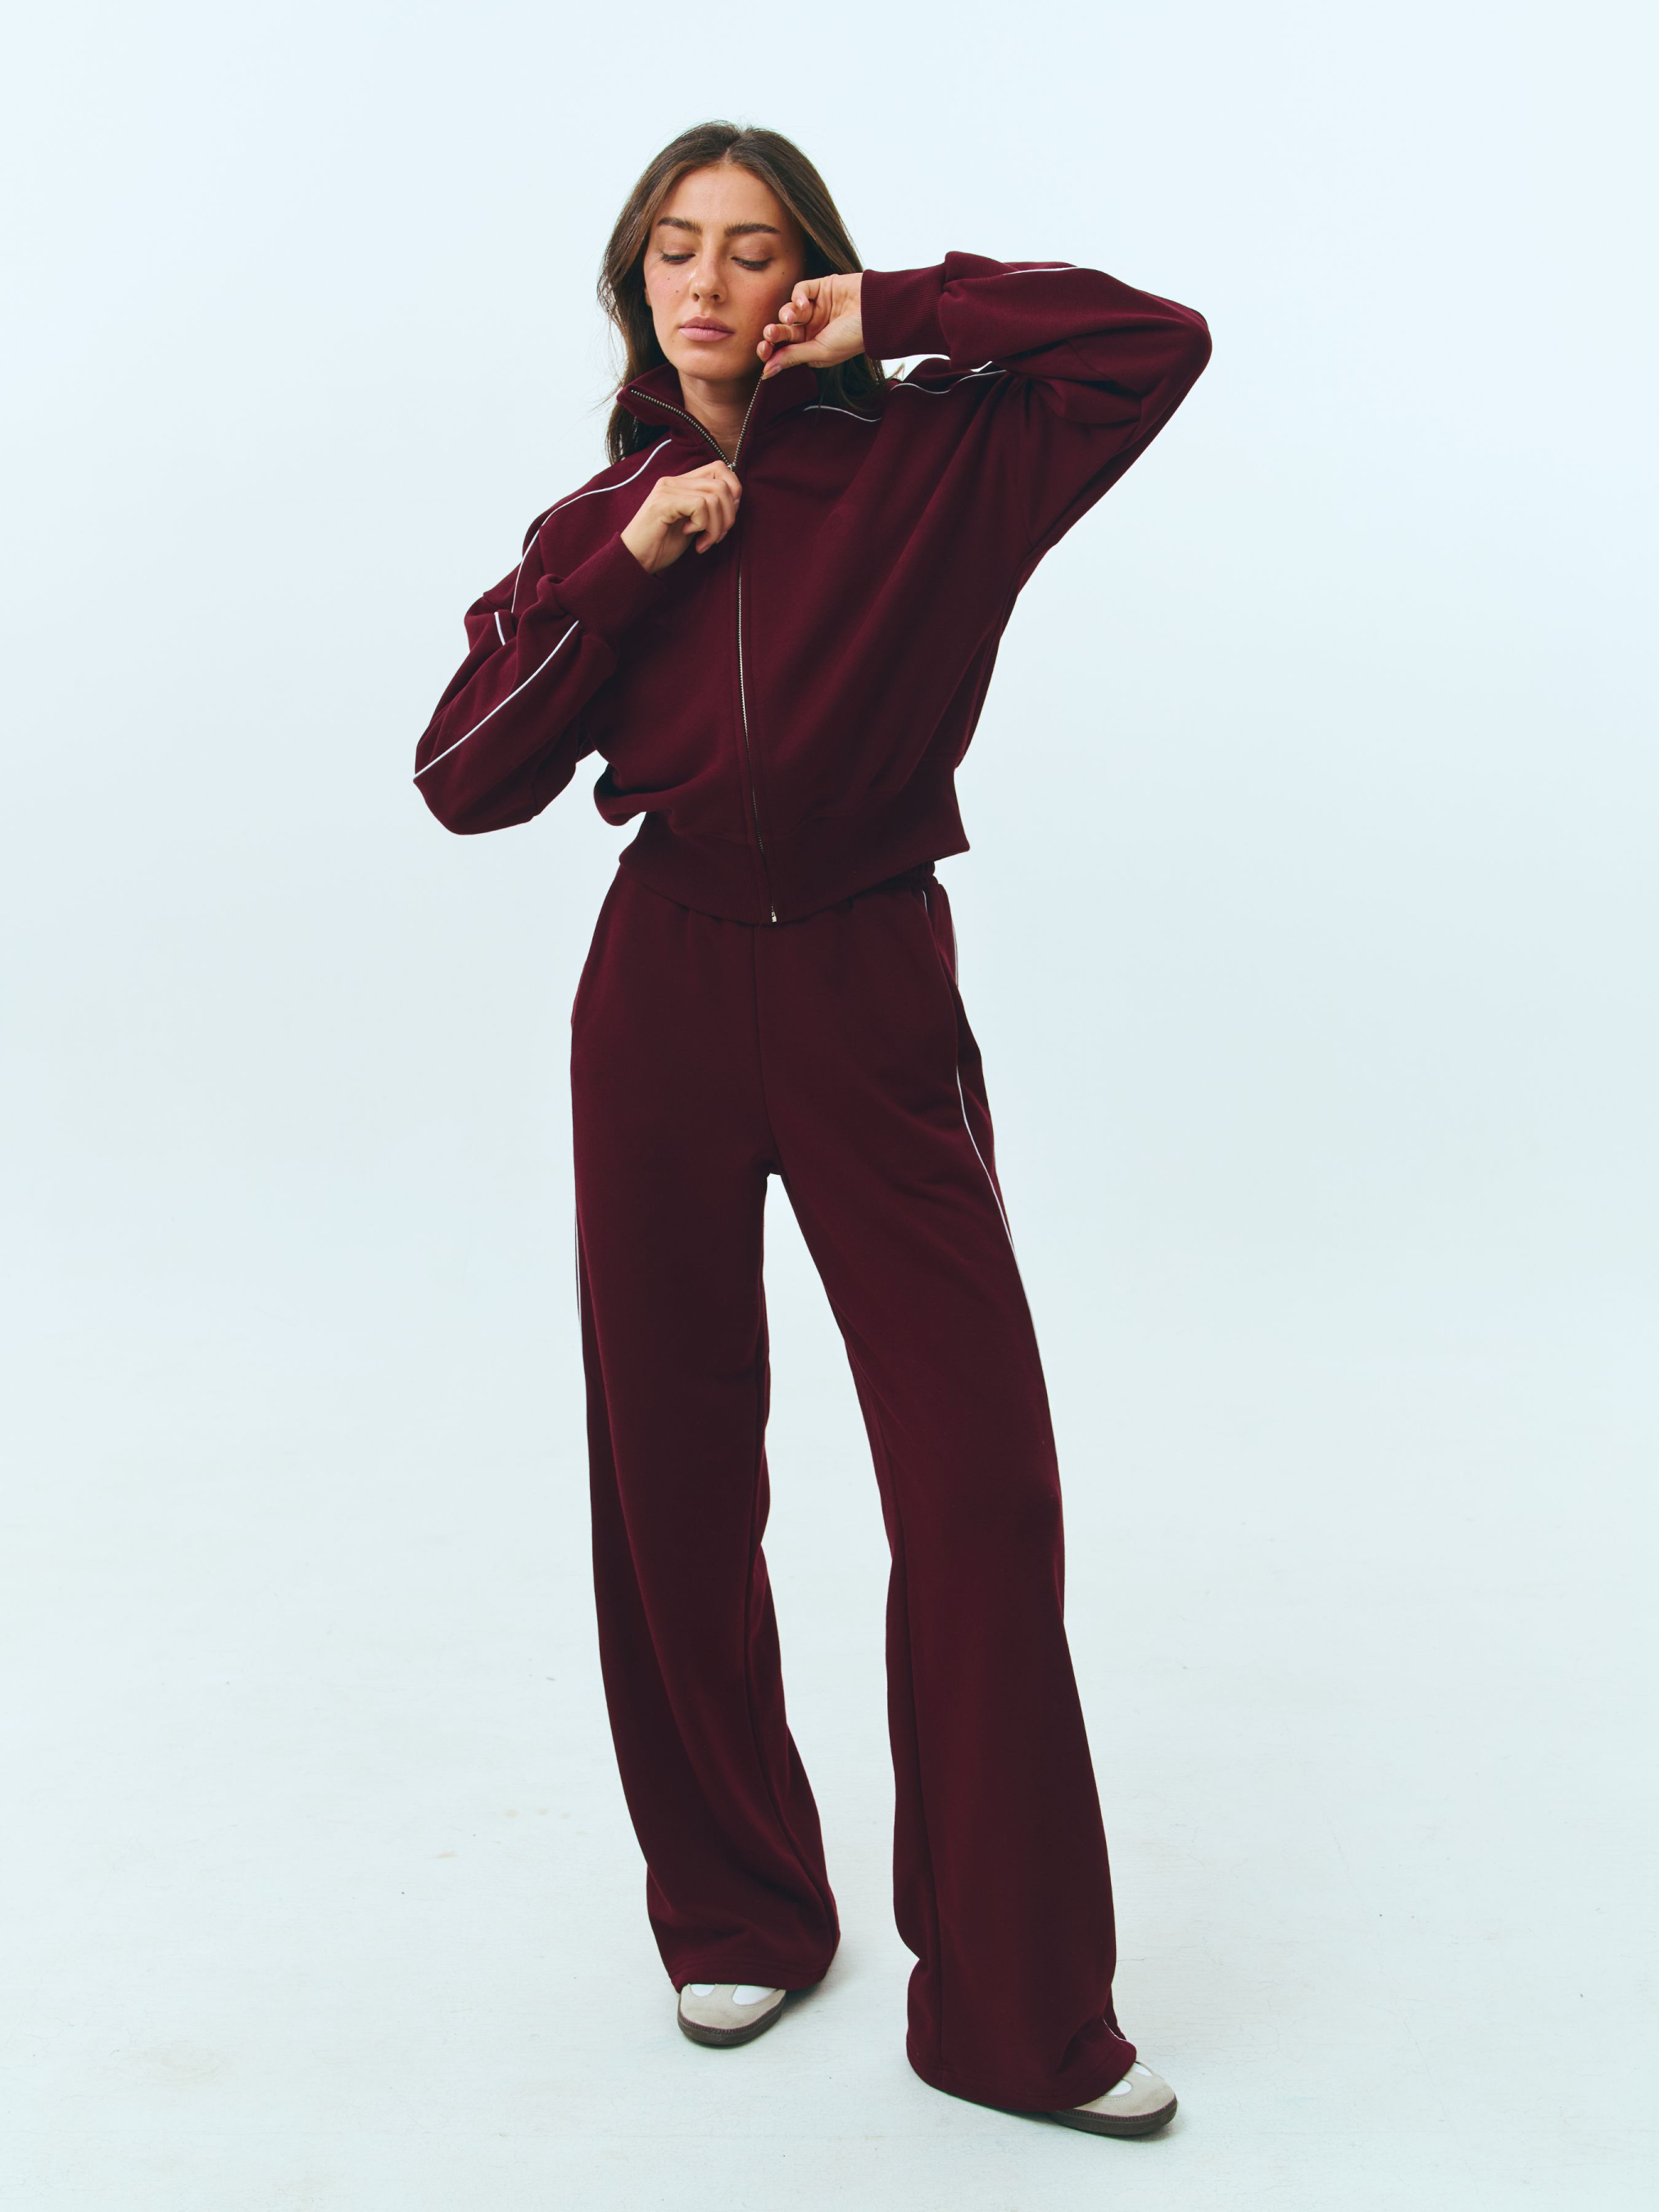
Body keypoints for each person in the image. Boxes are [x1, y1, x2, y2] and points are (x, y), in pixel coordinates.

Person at [413, 119, 1211, 2140]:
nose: (707, 281)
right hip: (663, 993)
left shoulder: (940, 458)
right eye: (673, 247)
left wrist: (910, 312)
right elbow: (462, 779)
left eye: (754, 248)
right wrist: (617, 579)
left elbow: (1153, 343)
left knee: (977, 1490)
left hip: (868, 984)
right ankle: (740, 1905)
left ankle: (1015, 2012)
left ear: (807, 277)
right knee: (672, 1476)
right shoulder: (598, 522)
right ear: (631, 280)